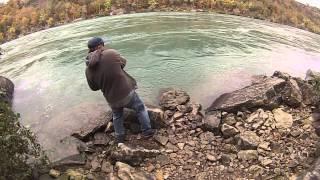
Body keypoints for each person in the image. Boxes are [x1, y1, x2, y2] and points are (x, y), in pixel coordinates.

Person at [85, 37, 155, 143]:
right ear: (100, 46)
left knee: (117, 116)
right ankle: (147, 132)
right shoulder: (111, 53)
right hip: (127, 93)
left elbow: (94, 88)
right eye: (103, 45)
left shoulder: (88, 70)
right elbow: (123, 63)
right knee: (140, 108)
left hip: (111, 99)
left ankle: (120, 138)